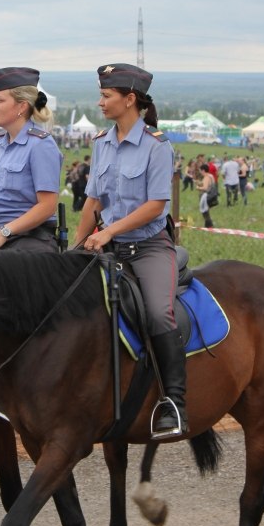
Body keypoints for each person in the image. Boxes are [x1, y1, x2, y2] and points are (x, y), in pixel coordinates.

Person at [76, 63, 187, 438]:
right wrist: (74, 248)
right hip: (108, 245)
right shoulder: (100, 143)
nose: (100, 102)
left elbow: (156, 205)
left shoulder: (157, 146)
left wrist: (109, 231)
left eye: (106, 96)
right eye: (101, 95)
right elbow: (93, 201)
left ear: (129, 99)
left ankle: (173, 401)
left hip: (149, 248)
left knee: (157, 313)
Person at [0, 67, 62, 254]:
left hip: (28, 237)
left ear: (22, 106)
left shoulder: (41, 145)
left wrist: (5, 232)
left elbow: (47, 206)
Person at [196, 163, 216, 228]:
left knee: (204, 210)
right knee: (206, 210)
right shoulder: (210, 176)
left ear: (203, 170)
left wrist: (198, 188)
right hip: (211, 195)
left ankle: (209, 225)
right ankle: (208, 225)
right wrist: (200, 183)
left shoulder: (206, 177)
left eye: (200, 171)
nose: (200, 172)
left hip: (206, 195)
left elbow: (205, 188)